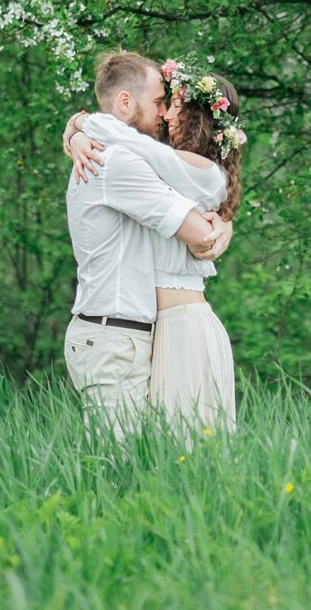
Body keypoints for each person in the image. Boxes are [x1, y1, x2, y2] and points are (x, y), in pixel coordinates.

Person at [65, 57, 246, 434]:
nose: (163, 114)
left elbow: (204, 221)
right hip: (119, 333)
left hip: (162, 331)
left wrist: (81, 125)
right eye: (160, 102)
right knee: (133, 463)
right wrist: (80, 127)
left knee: (174, 459)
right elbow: (199, 232)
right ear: (127, 102)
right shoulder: (115, 160)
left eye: (172, 105)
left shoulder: (166, 168)